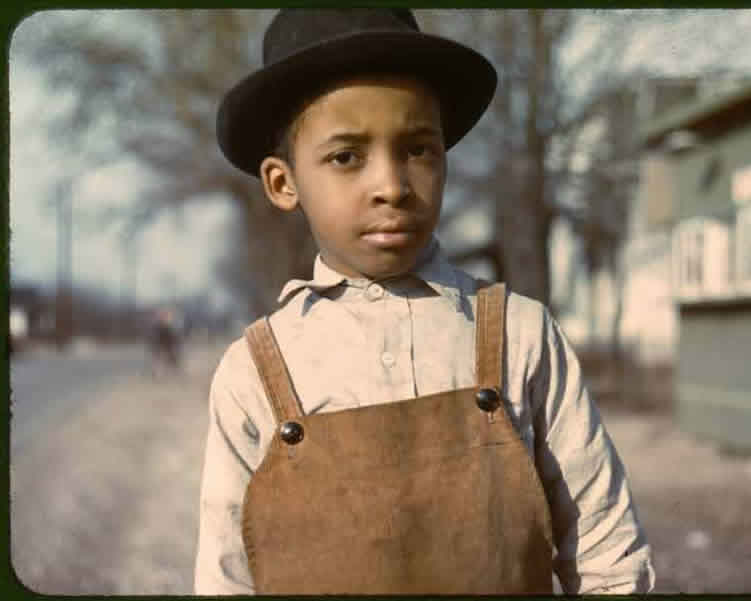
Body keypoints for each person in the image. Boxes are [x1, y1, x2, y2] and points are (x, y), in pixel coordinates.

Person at [195, 8, 654, 595]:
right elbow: (225, 577)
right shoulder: (254, 372)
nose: (391, 185)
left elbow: (607, 552)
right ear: (285, 183)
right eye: (346, 157)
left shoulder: (520, 334)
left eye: (417, 149)